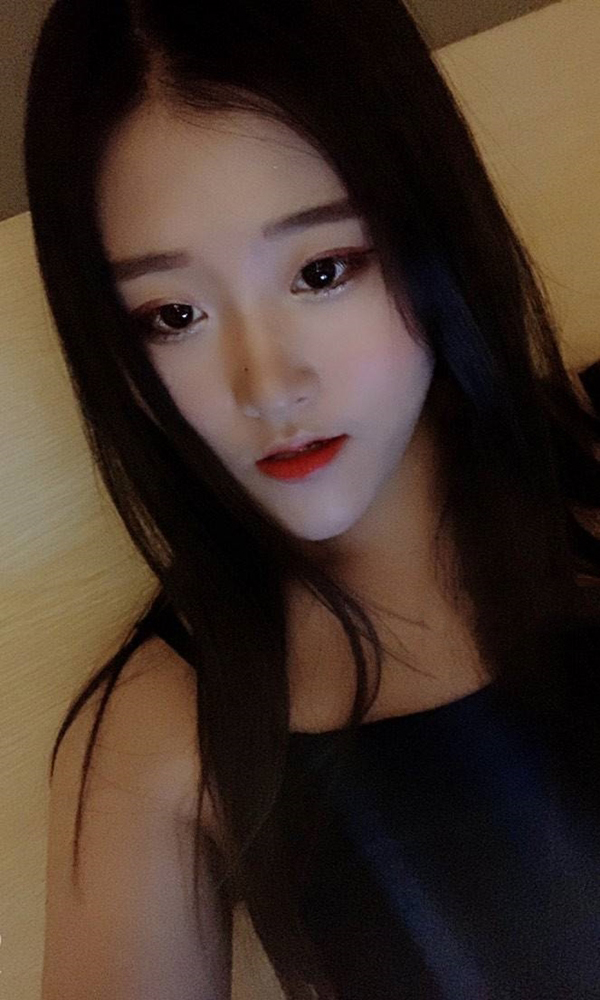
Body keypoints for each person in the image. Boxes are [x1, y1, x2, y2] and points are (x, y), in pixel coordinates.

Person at [25, 1, 600, 998]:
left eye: (322, 270)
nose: (266, 385)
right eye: (174, 314)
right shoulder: (162, 734)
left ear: (431, 223)